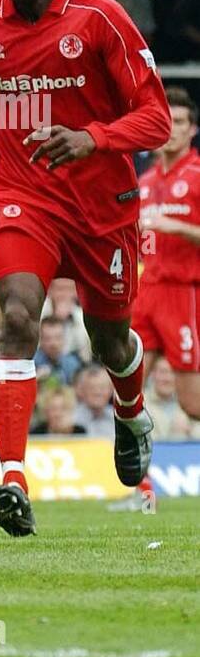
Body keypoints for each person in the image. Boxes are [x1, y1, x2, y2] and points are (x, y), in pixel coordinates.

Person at [0, 0, 170, 538]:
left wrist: (91, 138)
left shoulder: (101, 18)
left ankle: (131, 412)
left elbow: (158, 119)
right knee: (15, 317)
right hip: (20, 196)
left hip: (102, 207)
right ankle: (13, 478)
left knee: (110, 339)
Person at [134, 85, 200, 428]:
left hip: (183, 291)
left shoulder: (197, 175)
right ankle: (141, 482)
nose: (172, 130)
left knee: (191, 402)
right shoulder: (144, 181)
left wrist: (174, 226)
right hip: (147, 290)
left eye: (180, 121)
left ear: (192, 129)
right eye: (167, 121)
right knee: (128, 390)